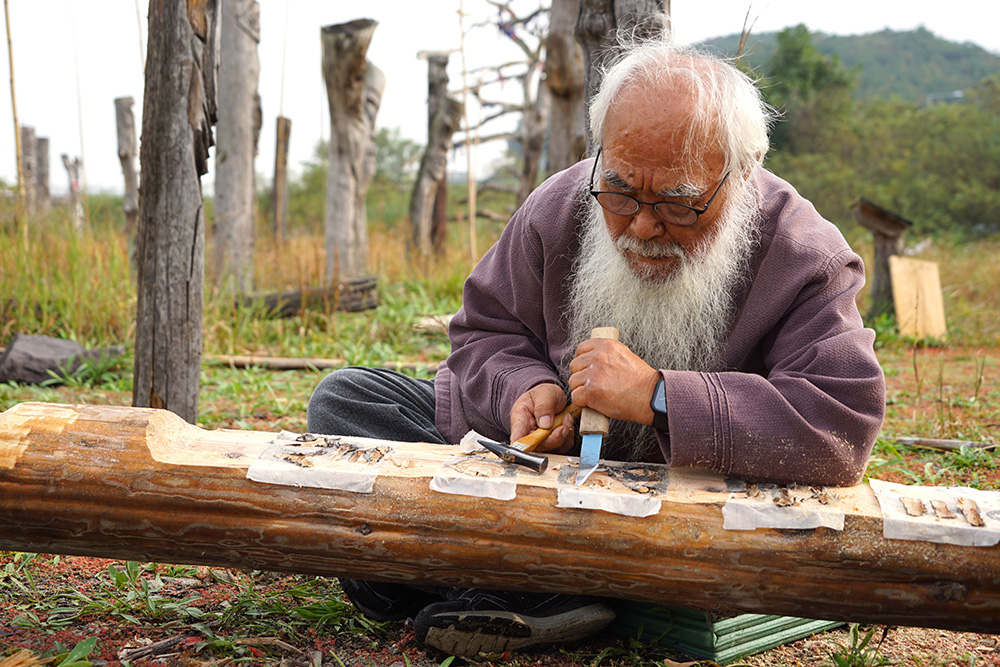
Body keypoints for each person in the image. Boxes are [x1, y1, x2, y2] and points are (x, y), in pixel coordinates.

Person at [307, 24, 886, 660]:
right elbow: (486, 330)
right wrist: (526, 389)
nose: (641, 225)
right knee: (347, 403)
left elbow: (839, 418)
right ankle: (532, 589)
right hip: (545, 481)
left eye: (678, 202)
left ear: (742, 174)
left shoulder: (804, 253)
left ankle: (482, 580)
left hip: (682, 506)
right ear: (602, 154)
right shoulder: (561, 204)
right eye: (620, 190)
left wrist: (660, 396)